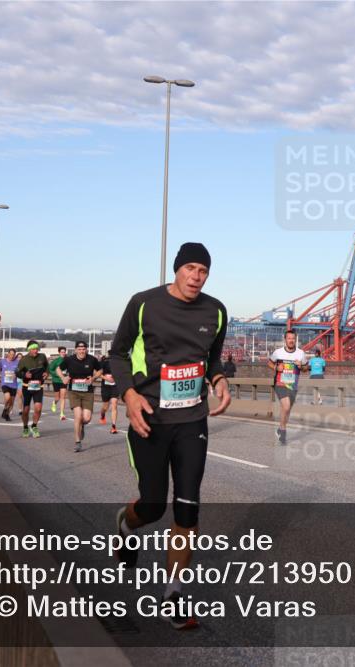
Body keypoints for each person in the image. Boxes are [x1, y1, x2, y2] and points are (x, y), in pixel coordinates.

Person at [109, 242, 230, 630]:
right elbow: (117, 353)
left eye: (204, 271)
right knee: (153, 506)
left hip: (192, 420)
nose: (197, 276)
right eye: (190, 268)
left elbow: (211, 356)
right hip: (149, 418)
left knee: (188, 506)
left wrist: (219, 377)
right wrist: (128, 395)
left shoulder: (217, 311)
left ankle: (173, 592)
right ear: (177, 269)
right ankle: (126, 526)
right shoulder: (143, 304)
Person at [58, 341, 102, 452]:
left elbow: (100, 370)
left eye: (84, 349)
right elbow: (58, 369)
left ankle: (82, 425)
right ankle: (77, 442)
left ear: (86, 349)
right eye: (79, 349)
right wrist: (63, 378)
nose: (82, 351)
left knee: (86, 418)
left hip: (88, 392)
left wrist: (93, 378)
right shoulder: (69, 359)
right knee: (78, 416)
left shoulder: (92, 359)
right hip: (74, 391)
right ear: (76, 349)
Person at [268, 330, 308, 445]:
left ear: (296, 340)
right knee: (286, 406)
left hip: (293, 385)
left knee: (287, 409)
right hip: (280, 383)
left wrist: (301, 366)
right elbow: (269, 363)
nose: (291, 340)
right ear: (285, 340)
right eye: (289, 338)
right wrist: (276, 368)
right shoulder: (278, 352)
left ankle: (281, 428)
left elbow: (306, 369)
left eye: (293, 338)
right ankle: (284, 431)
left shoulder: (300, 353)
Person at [16, 340, 49, 438]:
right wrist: (24, 374)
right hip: (27, 387)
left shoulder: (42, 356)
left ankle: (34, 426)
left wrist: (46, 373)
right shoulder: (24, 360)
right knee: (25, 410)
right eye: (34, 349)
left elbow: (47, 366)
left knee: (38, 409)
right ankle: (25, 427)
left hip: (38, 387)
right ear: (29, 349)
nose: (36, 351)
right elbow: (17, 372)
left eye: (37, 349)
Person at [99, 354, 120, 433]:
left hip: (115, 386)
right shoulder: (105, 362)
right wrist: (106, 378)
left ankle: (113, 426)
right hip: (105, 387)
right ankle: (102, 415)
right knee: (105, 407)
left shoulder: (120, 364)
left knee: (114, 404)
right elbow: (97, 373)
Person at [0, 348, 20, 421]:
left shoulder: (17, 362)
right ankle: (5, 410)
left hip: (13, 384)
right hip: (5, 383)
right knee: (7, 397)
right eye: (10, 354)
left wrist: (16, 375)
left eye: (13, 355)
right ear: (8, 354)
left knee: (12, 402)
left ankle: (6, 414)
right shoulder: (2, 361)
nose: (12, 356)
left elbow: (19, 371)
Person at [49, 346, 69, 421]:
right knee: (57, 398)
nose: (63, 353)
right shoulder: (56, 361)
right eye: (62, 352)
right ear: (59, 352)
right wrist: (58, 374)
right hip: (56, 381)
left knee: (63, 397)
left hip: (64, 381)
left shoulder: (67, 360)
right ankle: (54, 403)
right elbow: (50, 370)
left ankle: (62, 413)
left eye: (64, 352)